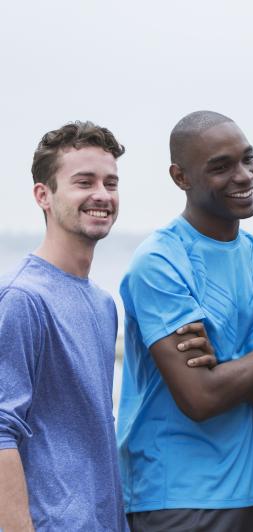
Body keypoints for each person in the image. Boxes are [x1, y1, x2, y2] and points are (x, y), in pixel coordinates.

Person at [117, 110, 253, 531]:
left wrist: (221, 369)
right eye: (220, 167)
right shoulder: (160, 262)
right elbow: (200, 398)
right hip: (174, 498)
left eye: (248, 158)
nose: (244, 176)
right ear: (180, 177)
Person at [0, 121, 128, 532]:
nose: (102, 195)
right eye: (84, 182)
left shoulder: (103, 303)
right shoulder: (22, 299)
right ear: (44, 195)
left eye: (111, 183)